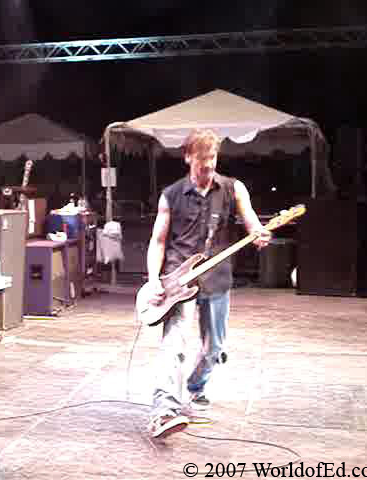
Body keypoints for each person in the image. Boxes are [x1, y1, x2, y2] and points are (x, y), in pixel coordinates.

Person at [145, 129, 271, 438]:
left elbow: (251, 220)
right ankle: (164, 412)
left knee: (214, 348)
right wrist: (153, 280)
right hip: (179, 279)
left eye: (212, 158)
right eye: (202, 159)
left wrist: (259, 232)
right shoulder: (171, 195)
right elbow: (158, 241)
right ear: (188, 157)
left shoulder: (233, 188)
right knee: (174, 346)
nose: (208, 166)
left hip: (217, 279)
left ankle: (195, 386)